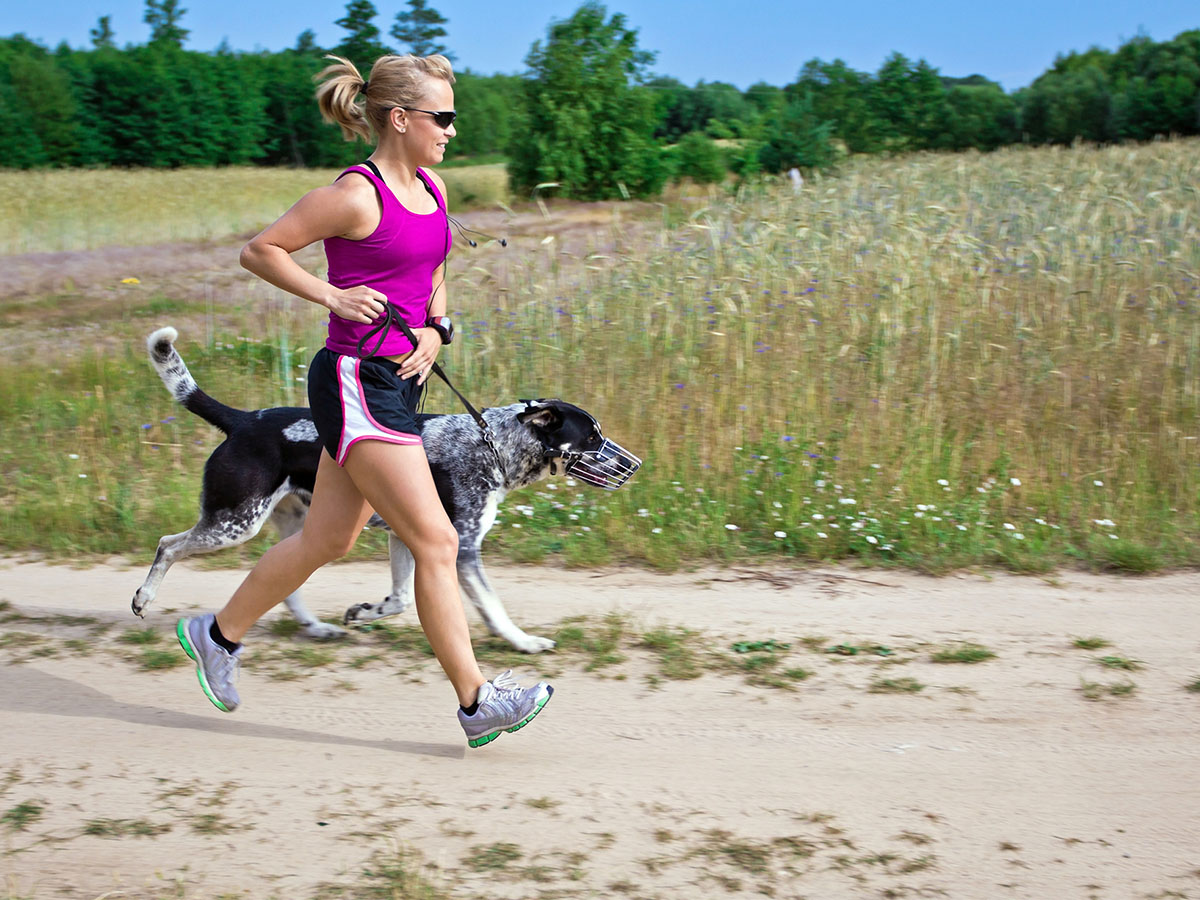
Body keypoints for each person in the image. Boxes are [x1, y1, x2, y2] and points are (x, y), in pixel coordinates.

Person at [175, 53, 552, 749]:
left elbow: (434, 267)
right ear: (400, 119)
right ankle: (477, 701)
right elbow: (261, 251)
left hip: (400, 383)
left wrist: (437, 329)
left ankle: (217, 634)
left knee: (329, 538)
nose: (452, 130)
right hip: (354, 381)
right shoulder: (356, 195)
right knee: (437, 539)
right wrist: (333, 295)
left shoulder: (433, 188)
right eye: (443, 117)